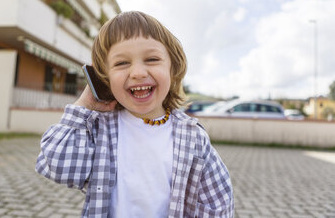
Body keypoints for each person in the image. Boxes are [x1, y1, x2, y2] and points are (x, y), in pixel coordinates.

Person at [35, 11, 234, 217]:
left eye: (152, 59)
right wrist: (85, 103)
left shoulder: (192, 136)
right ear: (104, 77)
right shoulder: (97, 128)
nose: (138, 72)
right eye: (121, 63)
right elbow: (60, 168)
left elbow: (217, 205)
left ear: (172, 68)